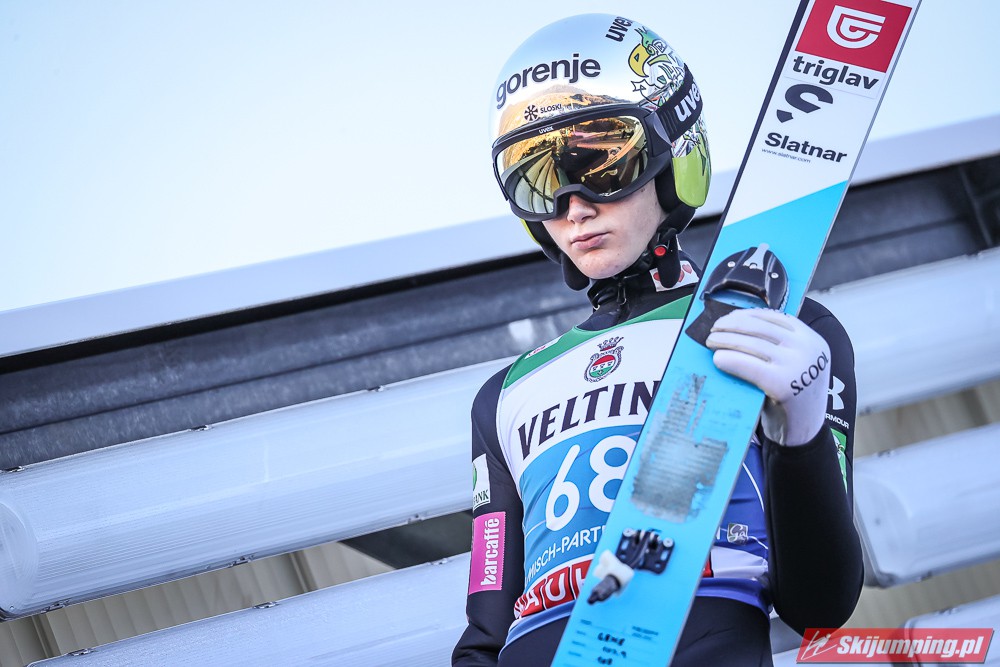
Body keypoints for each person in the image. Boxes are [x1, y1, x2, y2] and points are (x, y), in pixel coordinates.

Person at [453, 13, 863, 667]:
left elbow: (820, 602)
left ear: (674, 153)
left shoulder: (782, 330)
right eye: (540, 179)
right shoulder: (502, 396)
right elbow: (484, 634)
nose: (574, 205)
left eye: (601, 162)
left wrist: (803, 434)